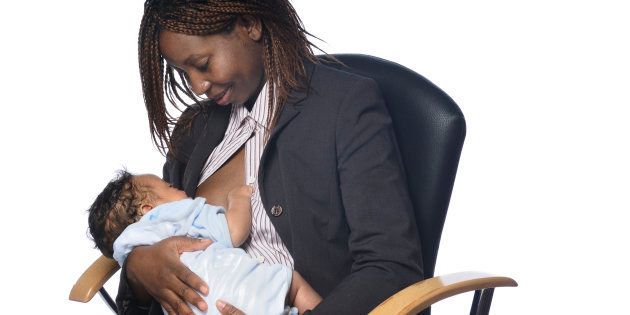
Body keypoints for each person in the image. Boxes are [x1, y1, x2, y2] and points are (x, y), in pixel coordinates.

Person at [118, 1, 423, 314]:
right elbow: (159, 225)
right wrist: (139, 266)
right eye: (184, 72)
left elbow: (391, 267)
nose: (198, 87)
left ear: (251, 24)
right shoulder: (196, 130)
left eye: (203, 64)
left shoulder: (344, 107)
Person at [87, 170, 321, 314]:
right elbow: (234, 231)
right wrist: (238, 197)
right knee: (294, 286)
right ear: (148, 208)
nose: (176, 187)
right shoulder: (179, 213)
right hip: (248, 289)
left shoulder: (128, 247)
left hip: (199, 308)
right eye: (169, 186)